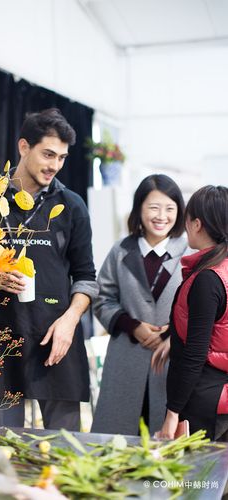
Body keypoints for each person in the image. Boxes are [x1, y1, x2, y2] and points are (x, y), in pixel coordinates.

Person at [0, 108, 98, 431]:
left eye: (61, 157)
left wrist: (70, 322)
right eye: (48, 154)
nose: (54, 166)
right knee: (1, 444)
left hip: (56, 337)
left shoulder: (71, 206)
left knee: (65, 446)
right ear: (23, 147)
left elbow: (86, 277)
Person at [91, 174, 188, 436]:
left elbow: (203, 309)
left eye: (170, 208)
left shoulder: (190, 252)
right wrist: (132, 326)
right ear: (139, 209)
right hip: (125, 359)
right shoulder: (121, 250)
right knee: (117, 442)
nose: (162, 216)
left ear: (179, 212)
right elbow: (102, 298)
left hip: (173, 360)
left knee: (167, 451)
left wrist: (172, 331)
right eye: (153, 207)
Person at [155, 186, 228, 441]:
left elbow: (196, 355)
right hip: (221, 396)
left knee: (198, 480)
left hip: (205, 402)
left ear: (196, 224)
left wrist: (172, 412)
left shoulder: (207, 279)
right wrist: (175, 337)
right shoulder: (221, 269)